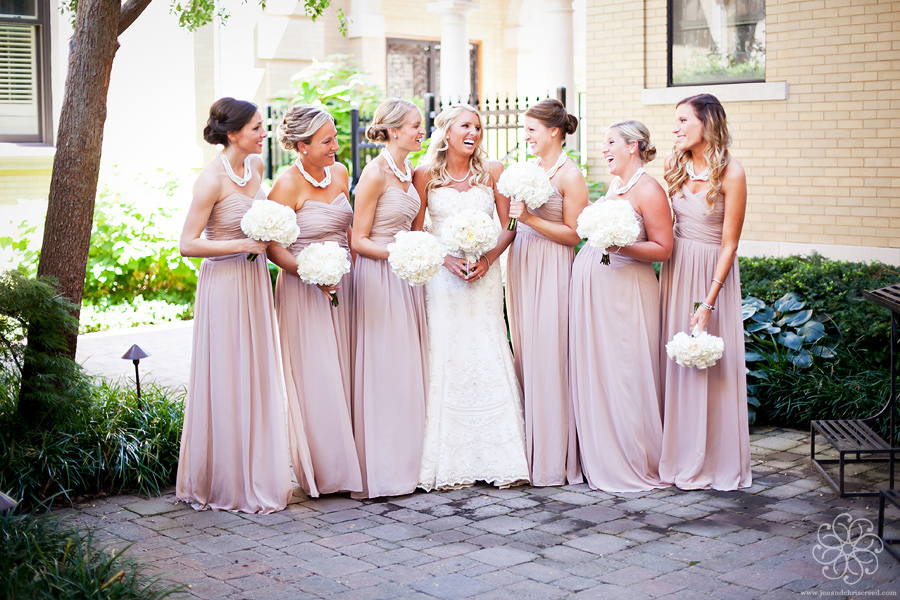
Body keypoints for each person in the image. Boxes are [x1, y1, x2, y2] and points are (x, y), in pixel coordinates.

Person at [176, 98, 293, 513]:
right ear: (233, 134)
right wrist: (242, 244)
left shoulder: (256, 168)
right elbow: (188, 244)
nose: (264, 133)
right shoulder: (210, 180)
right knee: (228, 371)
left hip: (255, 279)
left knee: (256, 371)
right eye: (258, 128)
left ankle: (255, 468)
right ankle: (223, 479)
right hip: (224, 283)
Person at [413, 104, 530, 491]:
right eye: (466, 126)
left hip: (484, 275)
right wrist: (445, 260)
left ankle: (501, 454)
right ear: (446, 132)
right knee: (449, 350)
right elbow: (418, 232)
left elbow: (508, 227)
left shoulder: (491, 172)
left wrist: (486, 259)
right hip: (444, 279)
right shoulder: (425, 176)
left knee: (487, 346)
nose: (474, 133)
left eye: (478, 127)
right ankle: (451, 458)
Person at [569, 121, 673, 492]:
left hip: (627, 295)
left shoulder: (649, 190)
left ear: (634, 146)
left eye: (611, 142)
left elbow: (663, 249)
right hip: (600, 295)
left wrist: (618, 246)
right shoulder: (616, 186)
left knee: (627, 372)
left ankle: (634, 457)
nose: (604, 149)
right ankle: (603, 451)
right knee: (604, 370)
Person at [658, 93, 752, 491]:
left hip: (713, 276)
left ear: (706, 123)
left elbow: (730, 244)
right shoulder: (673, 167)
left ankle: (714, 459)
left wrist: (709, 302)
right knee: (677, 362)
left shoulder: (731, 173)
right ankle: (679, 453)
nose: (675, 128)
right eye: (674, 121)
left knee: (712, 366)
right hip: (677, 272)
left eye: (683, 120)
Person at [267, 105, 361, 498]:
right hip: (303, 290)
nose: (336, 146)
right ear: (302, 146)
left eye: (335, 137)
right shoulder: (286, 185)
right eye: (326, 141)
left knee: (344, 372)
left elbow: (350, 226)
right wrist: (311, 273)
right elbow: (271, 247)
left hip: (344, 286)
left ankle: (350, 458)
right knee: (316, 378)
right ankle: (326, 472)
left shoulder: (340, 173)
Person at [505, 99, 586, 487]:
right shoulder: (530, 170)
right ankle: (525, 449)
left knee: (549, 353)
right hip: (522, 262)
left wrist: (531, 219)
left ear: (554, 131)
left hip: (553, 264)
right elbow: (513, 223)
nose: (527, 136)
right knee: (526, 352)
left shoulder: (571, 175)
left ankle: (553, 457)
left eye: (531, 129)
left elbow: (575, 234)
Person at [351, 98, 429, 499]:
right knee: (386, 369)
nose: (421, 131)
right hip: (380, 276)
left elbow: (415, 228)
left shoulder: (411, 171)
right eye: (415, 125)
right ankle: (383, 468)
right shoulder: (375, 173)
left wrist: (419, 254)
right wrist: (400, 253)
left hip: (408, 278)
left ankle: (410, 461)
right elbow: (358, 240)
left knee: (408, 368)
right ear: (394, 130)